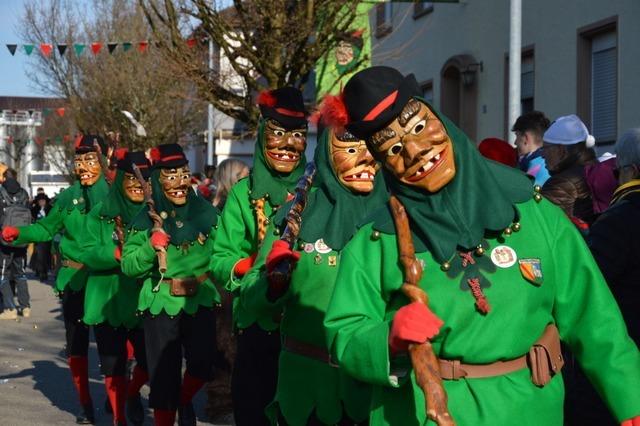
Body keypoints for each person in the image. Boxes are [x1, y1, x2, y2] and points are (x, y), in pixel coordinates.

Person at [322, 66, 640, 426]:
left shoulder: (532, 212)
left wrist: (630, 397)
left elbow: (592, 314)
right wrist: (388, 337)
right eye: (393, 147)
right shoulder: (375, 240)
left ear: (439, 119)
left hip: (531, 410)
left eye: (419, 128)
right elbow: (345, 335)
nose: (414, 151)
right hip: (421, 414)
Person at [239, 98, 388, 425]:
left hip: (377, 392)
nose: (363, 159)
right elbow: (248, 301)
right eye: (350, 150)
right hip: (307, 391)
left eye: (370, 149)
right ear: (327, 154)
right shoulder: (295, 217)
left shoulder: (398, 217)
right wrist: (271, 283)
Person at [210, 87, 309, 426]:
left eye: (297, 135)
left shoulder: (318, 189)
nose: (288, 145)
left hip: (305, 326)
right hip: (257, 324)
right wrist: (254, 266)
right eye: (279, 134)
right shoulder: (242, 195)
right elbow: (221, 258)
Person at [2, 135, 110, 423]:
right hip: (74, 280)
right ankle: (85, 406)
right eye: (80, 160)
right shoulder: (67, 198)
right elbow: (46, 230)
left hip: (109, 281)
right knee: (77, 345)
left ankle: (122, 399)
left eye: (91, 158)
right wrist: (20, 234)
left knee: (113, 348)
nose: (85, 166)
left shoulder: (115, 194)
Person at [121, 143, 219, 426]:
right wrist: (150, 247)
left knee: (202, 365)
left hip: (199, 298)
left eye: (183, 173)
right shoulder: (144, 218)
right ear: (156, 179)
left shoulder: (207, 213)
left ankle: (183, 400)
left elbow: (224, 251)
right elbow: (128, 266)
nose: (178, 182)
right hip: (161, 300)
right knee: (163, 378)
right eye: (170, 175)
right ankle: (148, 401)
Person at [79, 151, 152, 426]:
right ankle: (119, 418)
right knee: (113, 364)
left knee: (148, 361)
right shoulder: (102, 213)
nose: (137, 183)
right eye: (131, 177)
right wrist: (116, 254)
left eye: (144, 177)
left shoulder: (155, 213)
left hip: (143, 300)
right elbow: (86, 252)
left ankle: (132, 394)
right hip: (106, 299)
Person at [206, 157, 249, 423]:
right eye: (243, 175)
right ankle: (220, 404)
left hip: (238, 280)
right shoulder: (220, 209)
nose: (248, 178)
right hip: (224, 284)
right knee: (225, 344)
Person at [588, 128, 640, 344]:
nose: (615, 179)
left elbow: (591, 284)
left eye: (617, 172)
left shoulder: (618, 219)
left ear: (632, 172)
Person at [540, 114, 598, 225]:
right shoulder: (596, 169)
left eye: (545, 148)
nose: (542, 155)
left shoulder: (561, 183)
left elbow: (543, 224)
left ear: (561, 150)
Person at [0, 168, 31, 319]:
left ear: (4, 178)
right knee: (21, 274)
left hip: (4, 242)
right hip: (21, 239)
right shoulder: (24, 193)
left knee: (3, 275)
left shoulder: (1, 192)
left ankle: (9, 309)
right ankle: (25, 307)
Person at [512, 111, 551, 186]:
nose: (515, 142)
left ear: (526, 138)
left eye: (517, 136)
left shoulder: (535, 169)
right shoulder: (545, 162)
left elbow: (526, 196)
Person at [30, 192, 52, 282]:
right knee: (38, 254)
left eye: (43, 201)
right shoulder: (34, 210)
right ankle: (40, 271)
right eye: (40, 201)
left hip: (47, 235)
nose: (42, 202)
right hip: (38, 235)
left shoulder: (50, 209)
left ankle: (44, 271)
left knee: (46, 254)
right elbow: (32, 220)